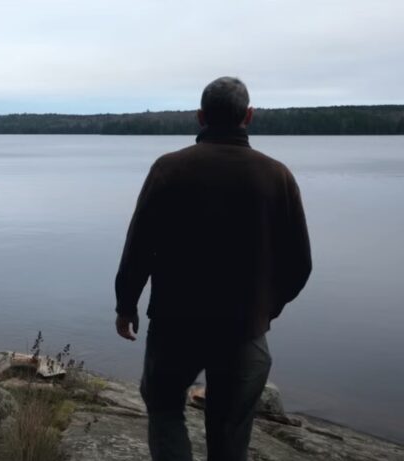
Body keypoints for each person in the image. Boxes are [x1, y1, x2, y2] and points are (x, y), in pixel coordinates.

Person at [114, 76, 312, 461]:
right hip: (244, 330)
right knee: (230, 428)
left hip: (174, 326)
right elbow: (299, 264)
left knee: (165, 408)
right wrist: (265, 308)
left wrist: (126, 306)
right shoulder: (277, 176)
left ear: (200, 117)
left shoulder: (169, 169)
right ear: (249, 116)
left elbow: (139, 246)